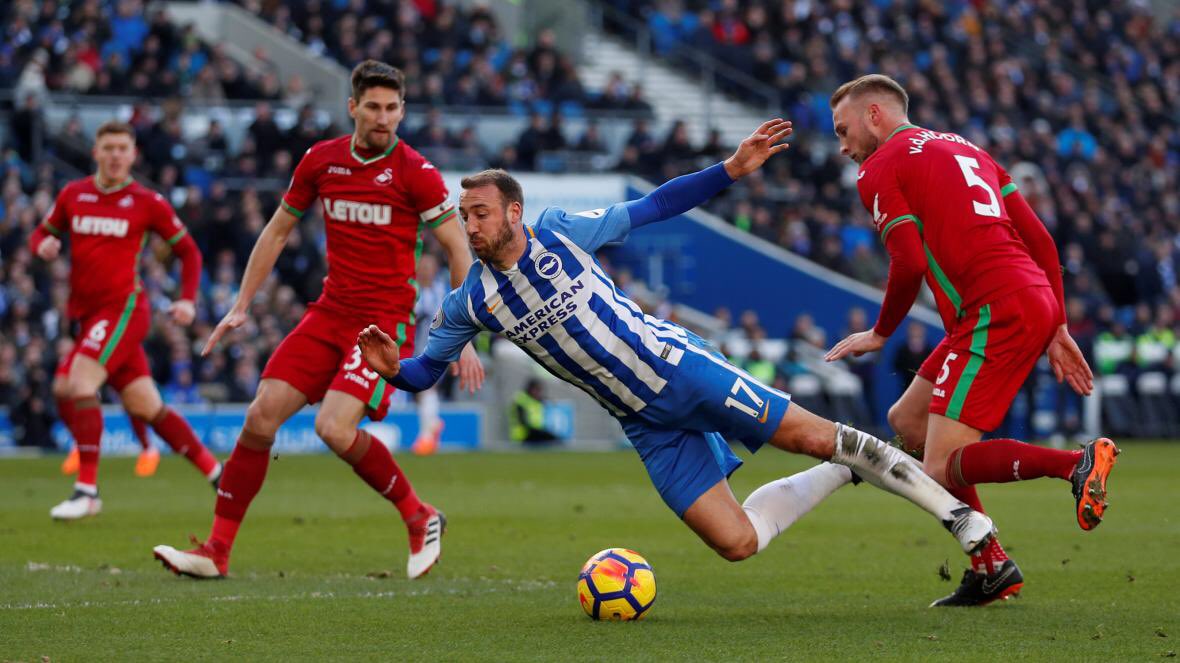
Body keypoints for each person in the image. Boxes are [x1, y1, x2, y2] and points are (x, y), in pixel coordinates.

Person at [358, 120, 997, 584]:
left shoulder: (559, 231)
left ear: (514, 212)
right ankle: (843, 469)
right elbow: (423, 371)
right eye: (464, 216)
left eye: (479, 214)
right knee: (737, 542)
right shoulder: (469, 302)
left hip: (680, 368)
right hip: (645, 424)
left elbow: (656, 204)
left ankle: (961, 522)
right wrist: (395, 370)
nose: (469, 227)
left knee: (808, 436)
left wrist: (730, 170)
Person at [152, 60, 484, 580]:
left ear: (402, 111)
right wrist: (241, 305)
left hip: (381, 324)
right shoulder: (321, 161)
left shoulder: (414, 172)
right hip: (330, 313)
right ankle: (216, 551)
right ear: (352, 107)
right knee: (260, 417)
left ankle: (419, 516)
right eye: (373, 107)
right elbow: (277, 231)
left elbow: (455, 246)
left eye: (392, 108)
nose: (383, 118)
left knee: (332, 427)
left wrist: (463, 334)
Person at [823, 74, 1118, 607]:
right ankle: (992, 566)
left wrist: (881, 332)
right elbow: (1042, 240)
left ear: (875, 115)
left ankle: (1075, 464)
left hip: (992, 309)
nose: (842, 147)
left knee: (940, 464)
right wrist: (1056, 324)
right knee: (907, 422)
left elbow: (909, 260)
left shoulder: (880, 166)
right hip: (1019, 298)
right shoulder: (968, 149)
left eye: (843, 130)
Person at [29, 121, 223, 521]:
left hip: (124, 310)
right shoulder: (73, 194)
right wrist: (43, 246)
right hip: (87, 317)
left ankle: (87, 490)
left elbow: (189, 252)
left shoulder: (146, 201)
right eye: (109, 148)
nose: (116, 155)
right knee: (146, 405)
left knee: (76, 384)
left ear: (133, 154)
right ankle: (217, 473)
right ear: (96, 152)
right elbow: (40, 235)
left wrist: (187, 300)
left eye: (123, 148)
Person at [508, 379, 562, 447]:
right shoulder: (521, 400)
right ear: (530, 389)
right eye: (537, 390)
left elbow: (540, 400)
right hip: (524, 435)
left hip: (533, 433)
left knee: (553, 440)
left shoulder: (533, 400)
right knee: (555, 441)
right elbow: (522, 421)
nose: (539, 392)